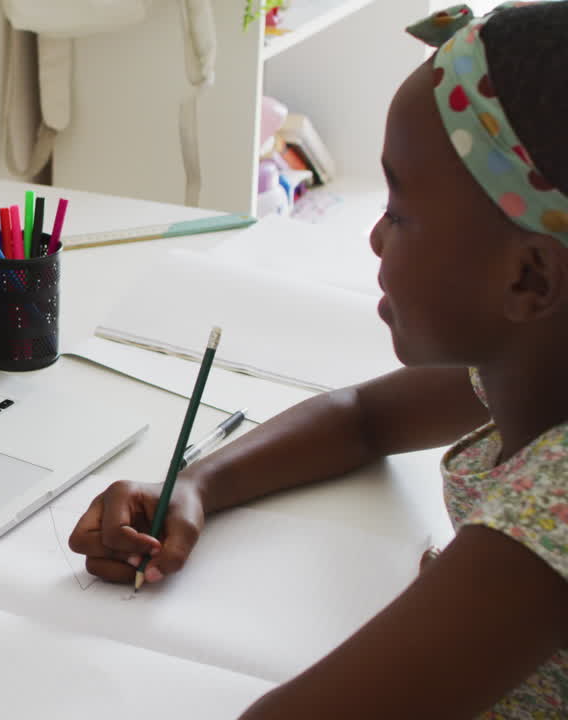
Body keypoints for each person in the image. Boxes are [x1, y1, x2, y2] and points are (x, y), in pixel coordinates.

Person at [68, 3, 568, 717]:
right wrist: (198, 485)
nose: (373, 237)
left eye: (399, 211)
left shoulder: (548, 520)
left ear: (530, 279)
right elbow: (362, 417)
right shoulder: (536, 359)